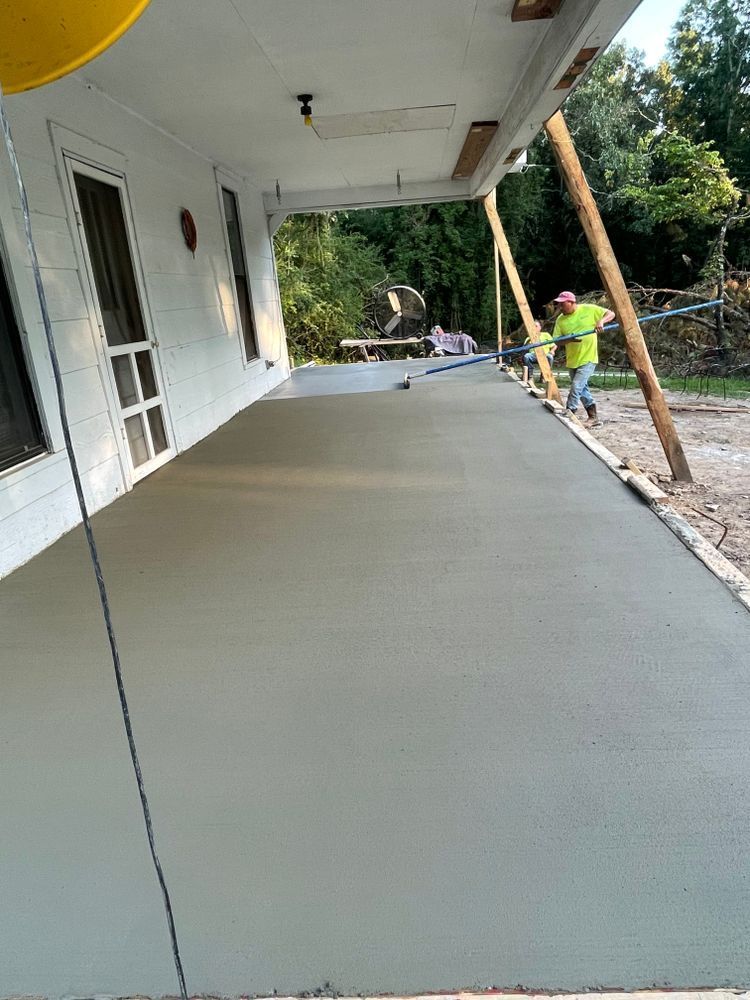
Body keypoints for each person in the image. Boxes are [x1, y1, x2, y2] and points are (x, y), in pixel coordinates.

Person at [551, 291, 615, 425]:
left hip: (589, 357)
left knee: (576, 386)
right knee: (582, 389)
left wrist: (601, 321)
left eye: (563, 304)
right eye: (559, 305)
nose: (560, 307)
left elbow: (611, 314)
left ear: (572, 302)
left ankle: (570, 411)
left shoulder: (589, 309)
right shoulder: (560, 320)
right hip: (573, 359)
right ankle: (593, 417)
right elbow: (556, 341)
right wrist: (568, 340)